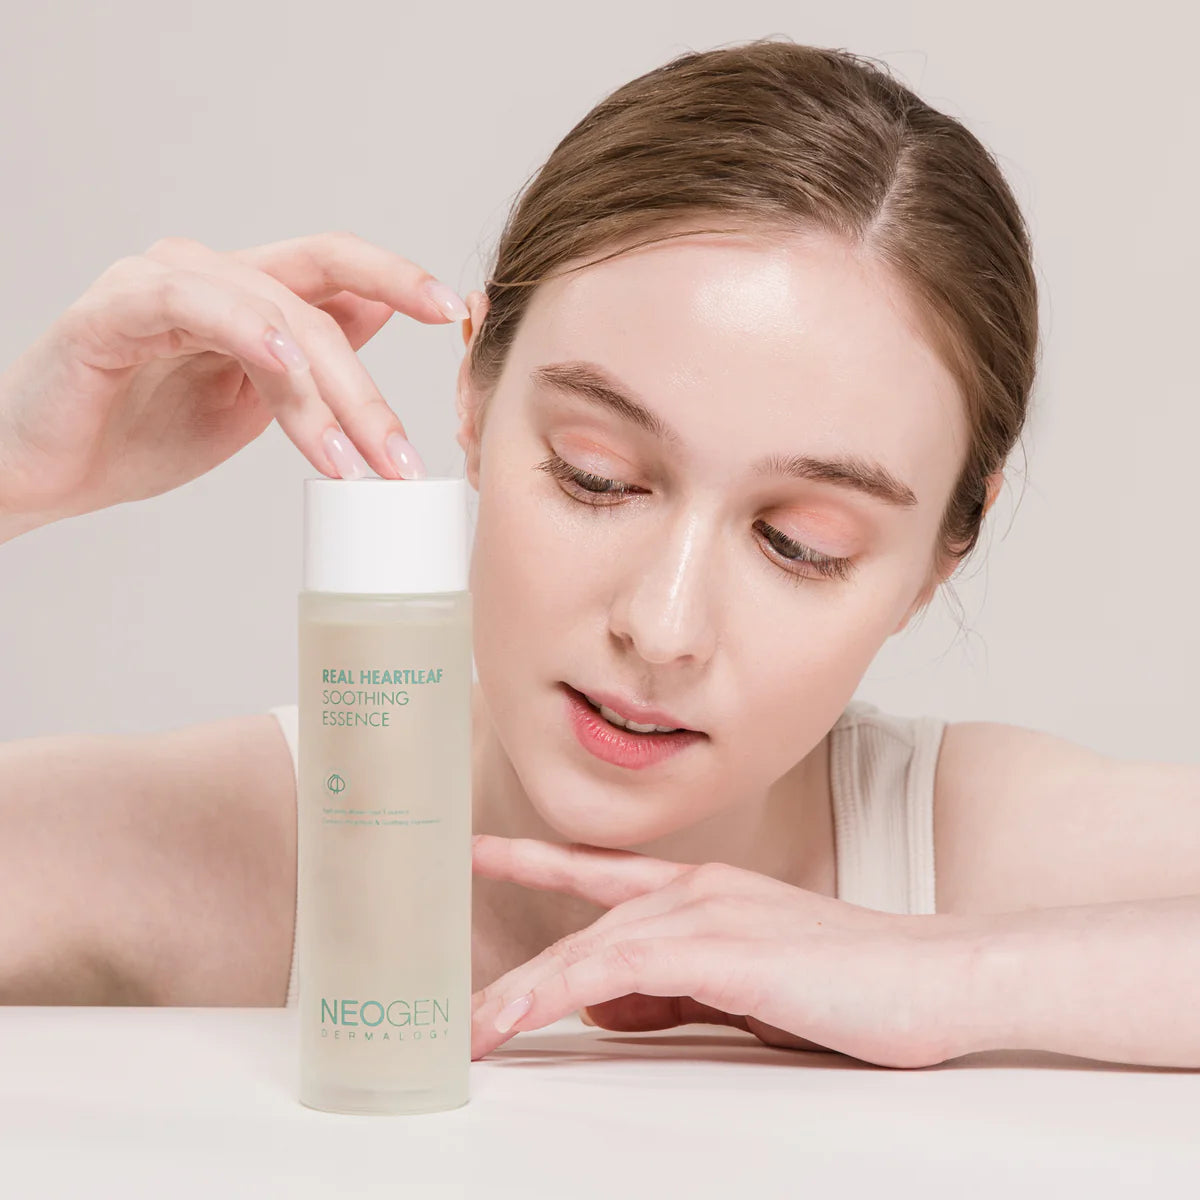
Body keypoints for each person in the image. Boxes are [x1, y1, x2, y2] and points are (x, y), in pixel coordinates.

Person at [2, 38, 1198, 1070]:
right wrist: (18, 475)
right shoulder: (246, 841)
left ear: (941, 555)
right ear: (475, 396)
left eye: (802, 546)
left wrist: (940, 975)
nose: (663, 626)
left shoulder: (956, 843)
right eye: (597, 476)